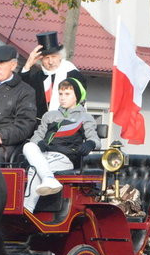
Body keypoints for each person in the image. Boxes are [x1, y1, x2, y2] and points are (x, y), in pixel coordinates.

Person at [22, 70, 99, 212]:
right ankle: (48, 179)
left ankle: (27, 209)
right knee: (28, 146)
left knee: (34, 169)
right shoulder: (49, 116)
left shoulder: (85, 117)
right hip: (45, 154)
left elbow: (94, 138)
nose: (62, 98)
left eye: (67, 94)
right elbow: (36, 137)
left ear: (77, 96)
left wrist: (90, 143)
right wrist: (39, 143)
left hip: (66, 157)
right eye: (60, 94)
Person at [20, 31, 79, 118]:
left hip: (68, 121)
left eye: (53, 57)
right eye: (46, 58)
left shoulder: (72, 74)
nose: (50, 62)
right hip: (41, 123)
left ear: (60, 56)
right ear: (41, 60)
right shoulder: (37, 77)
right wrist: (28, 64)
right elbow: (21, 89)